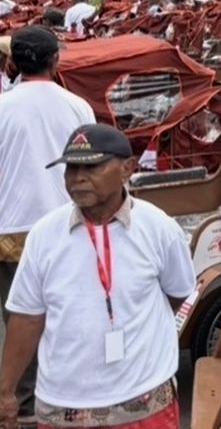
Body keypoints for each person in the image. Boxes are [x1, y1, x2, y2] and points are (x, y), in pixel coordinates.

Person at [0, 124, 194, 429]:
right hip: (63, 405)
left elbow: (177, 292)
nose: (77, 178)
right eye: (70, 168)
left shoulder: (159, 229)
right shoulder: (44, 235)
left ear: (127, 168)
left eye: (91, 166)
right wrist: (5, 392)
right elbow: (27, 317)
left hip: (144, 404)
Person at [0, 27, 96, 425]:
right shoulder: (79, 107)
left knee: (20, 320)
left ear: (12, 64)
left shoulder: (3, 107)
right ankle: (66, 395)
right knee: (66, 314)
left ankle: (23, 403)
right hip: (68, 225)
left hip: (11, 232)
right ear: (56, 62)